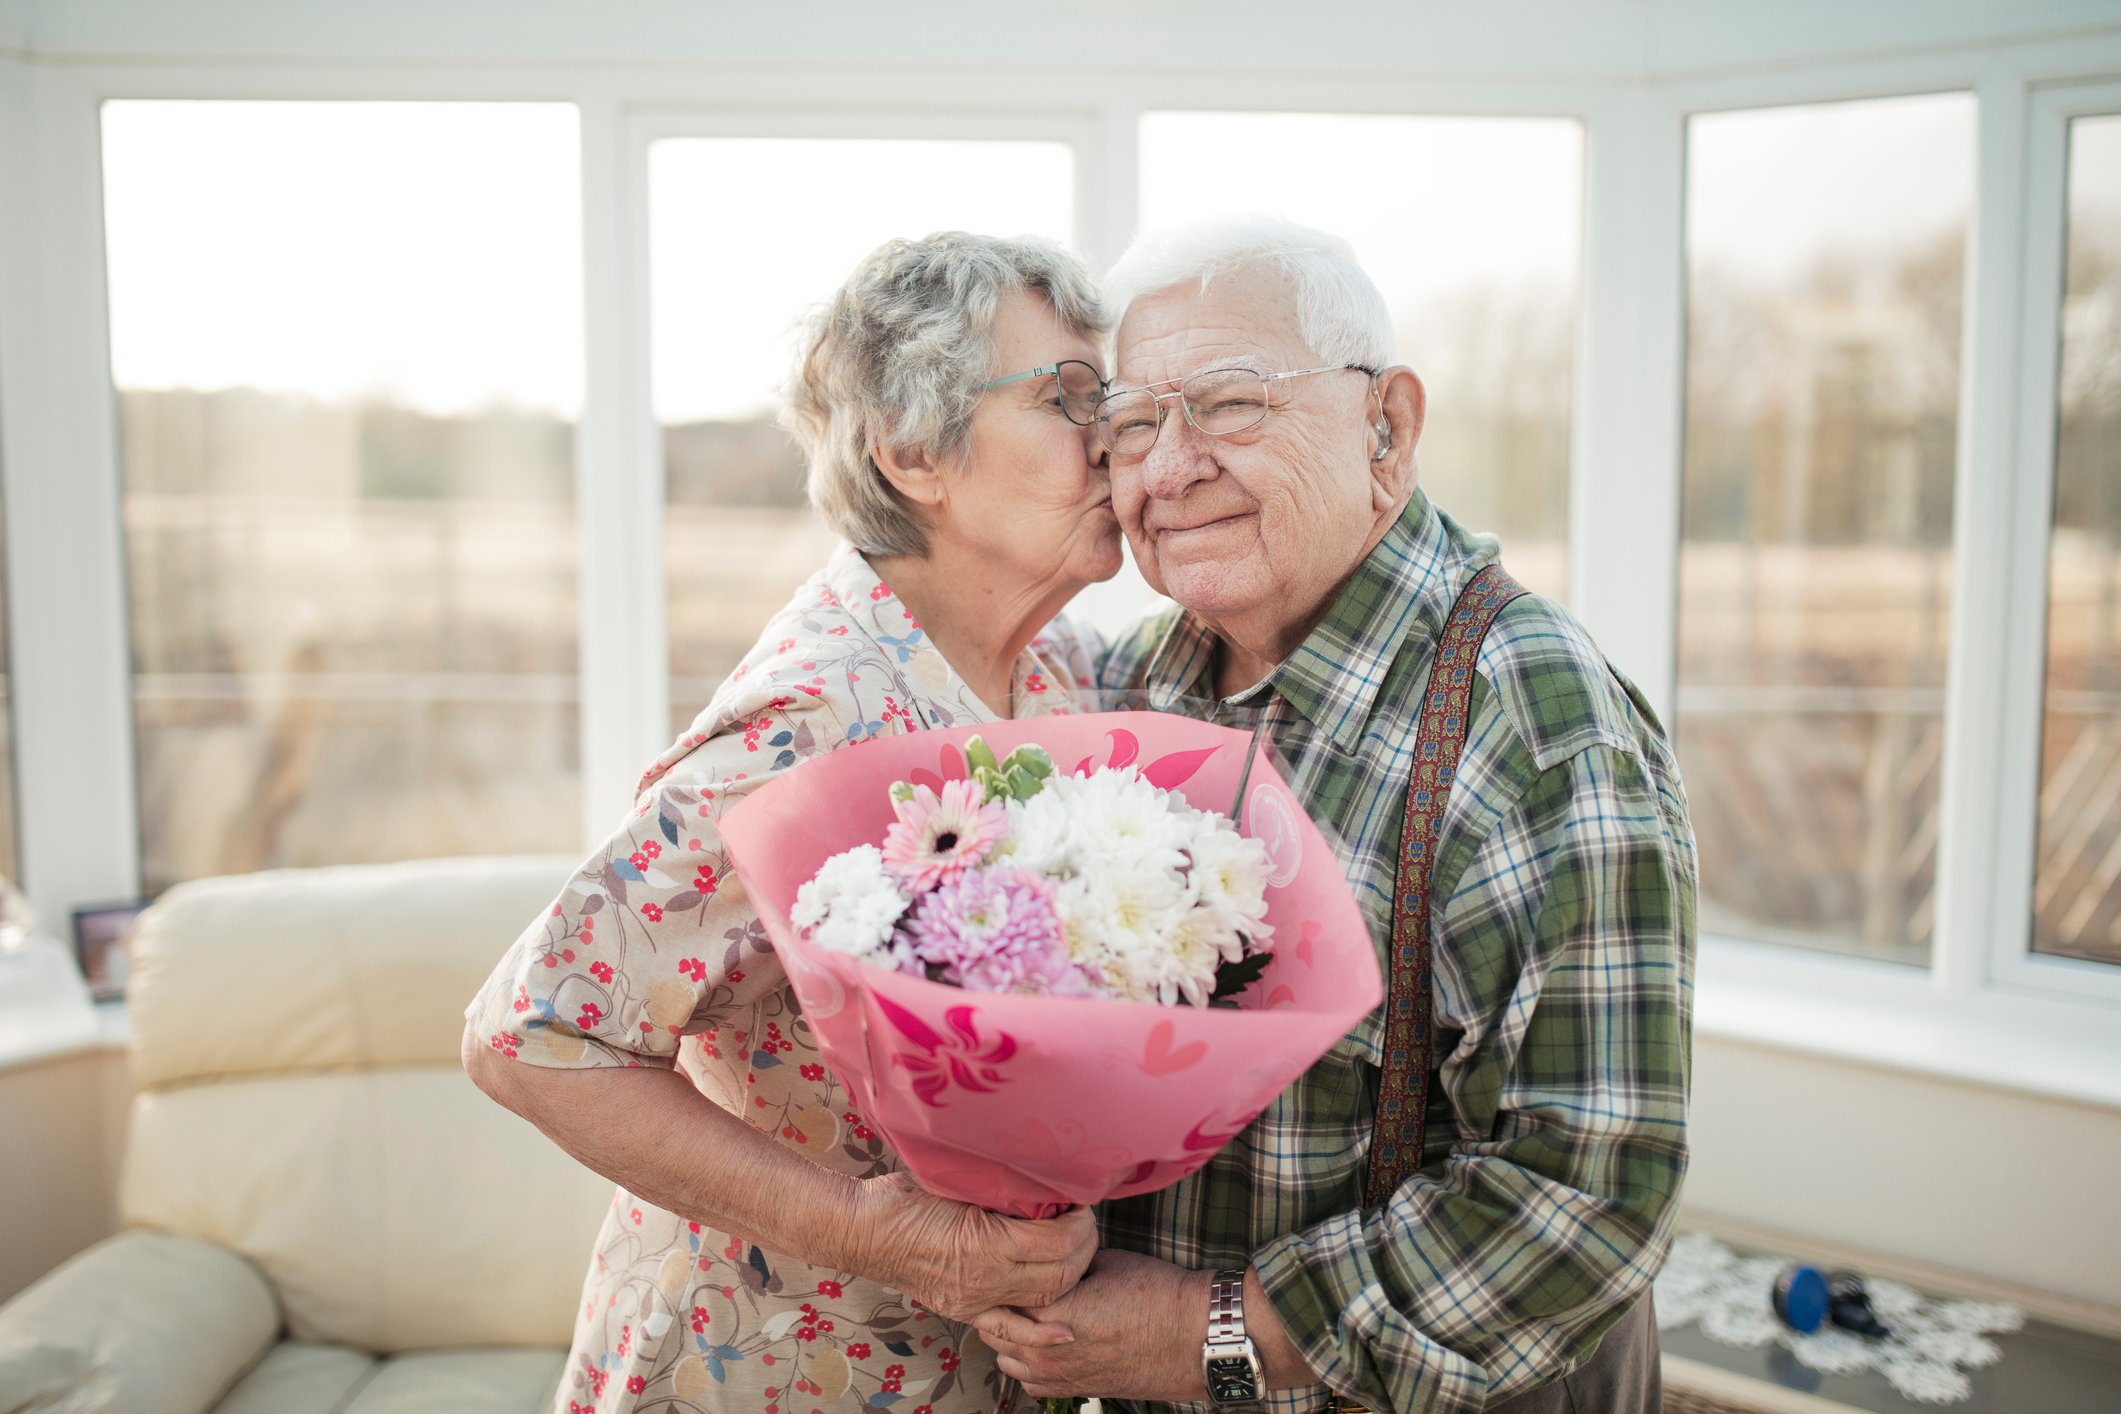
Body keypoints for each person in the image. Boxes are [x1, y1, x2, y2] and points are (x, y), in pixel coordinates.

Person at [976, 219, 1697, 1413]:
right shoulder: (1135, 687)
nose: (1168, 467)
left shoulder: (1535, 720)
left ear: (1389, 426)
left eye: (1230, 402)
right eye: (1136, 424)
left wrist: (1208, 1337)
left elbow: (1590, 1189)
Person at [463, 231, 1121, 1413]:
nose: (1112, 430)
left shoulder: (1065, 667)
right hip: (767, 1366)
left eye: (1108, 391)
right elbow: (528, 1036)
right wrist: (881, 1231)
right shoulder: (813, 720)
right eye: (1069, 395)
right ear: (917, 452)